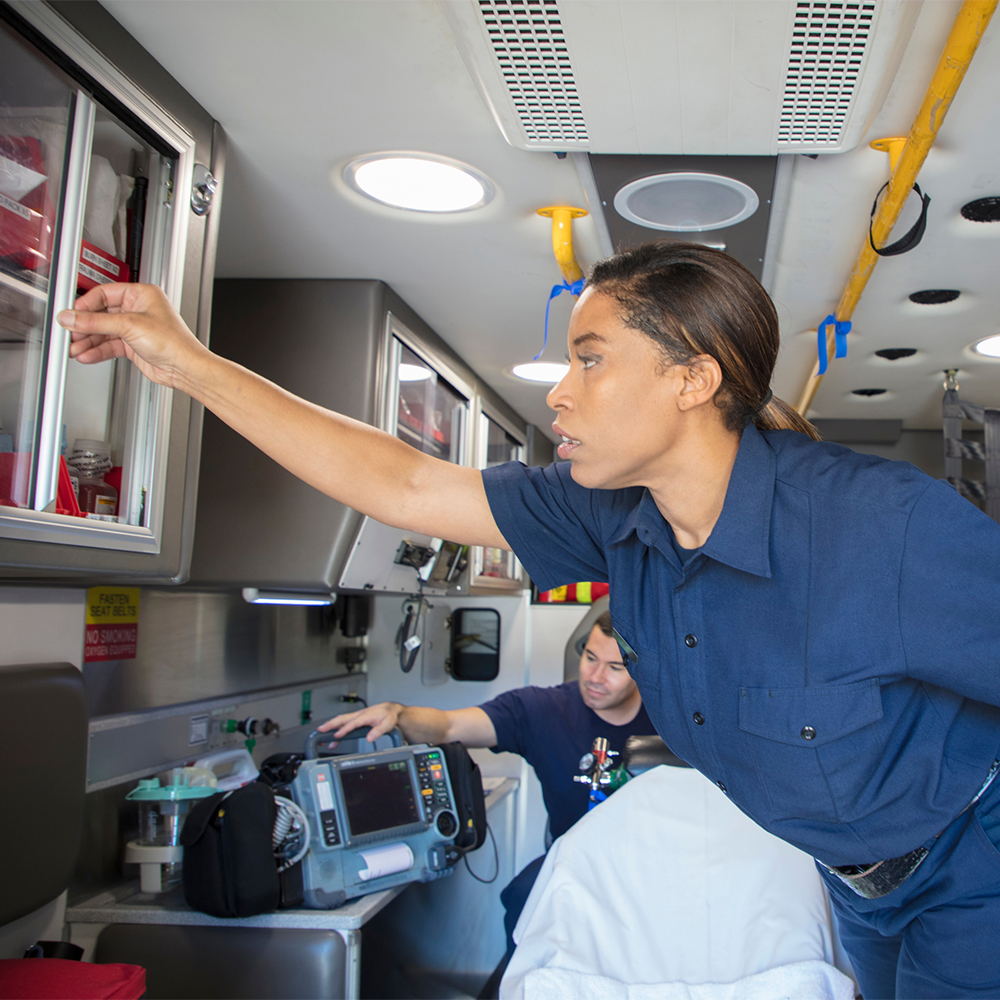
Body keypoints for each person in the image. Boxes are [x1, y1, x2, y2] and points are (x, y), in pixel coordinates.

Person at [60, 241, 1000, 999]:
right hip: (857, 888)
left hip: (971, 871)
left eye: (591, 361)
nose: (559, 391)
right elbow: (406, 481)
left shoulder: (884, 528)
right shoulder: (613, 513)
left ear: (693, 379)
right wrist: (184, 363)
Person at [317, 609, 659, 947]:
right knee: (524, 900)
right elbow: (449, 725)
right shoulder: (543, 710)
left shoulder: (675, 727)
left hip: (653, 868)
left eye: (615, 667)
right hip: (572, 867)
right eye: (590, 657)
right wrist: (399, 714)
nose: (595, 676)